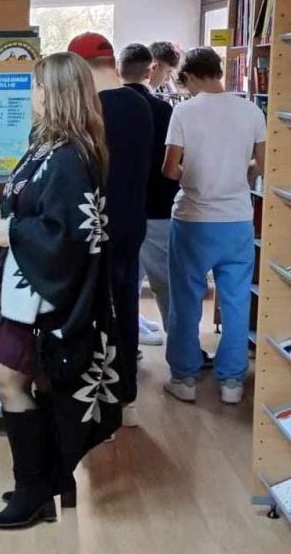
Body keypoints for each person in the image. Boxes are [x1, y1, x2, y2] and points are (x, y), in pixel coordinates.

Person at [0, 51, 121, 529]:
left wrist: (13, 232)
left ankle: (33, 487)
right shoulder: (50, 146)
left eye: (38, 86)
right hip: (31, 288)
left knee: (9, 379)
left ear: (57, 93)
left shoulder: (68, 158)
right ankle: (40, 482)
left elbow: (67, 235)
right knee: (25, 381)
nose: (32, 95)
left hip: (45, 295)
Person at [162, 47, 266, 405]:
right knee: (236, 301)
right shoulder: (251, 110)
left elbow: (169, 169)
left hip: (193, 219)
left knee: (186, 300)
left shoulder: (184, 111)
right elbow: (261, 163)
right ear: (219, 72)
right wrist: (238, 176)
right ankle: (232, 383)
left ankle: (184, 378)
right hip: (237, 219)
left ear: (190, 76)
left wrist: (193, 175)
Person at [68, 32, 153, 428]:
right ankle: (126, 399)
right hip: (132, 223)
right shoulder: (140, 105)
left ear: (80, 68)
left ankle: (97, 407)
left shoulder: (90, 110)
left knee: (95, 314)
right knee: (126, 307)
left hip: (95, 225)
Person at [120, 43, 179, 349]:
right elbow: (172, 162)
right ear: (149, 70)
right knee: (167, 281)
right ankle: (181, 346)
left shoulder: (106, 106)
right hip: (158, 206)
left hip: (121, 209)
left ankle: (125, 342)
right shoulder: (163, 110)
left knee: (126, 279)